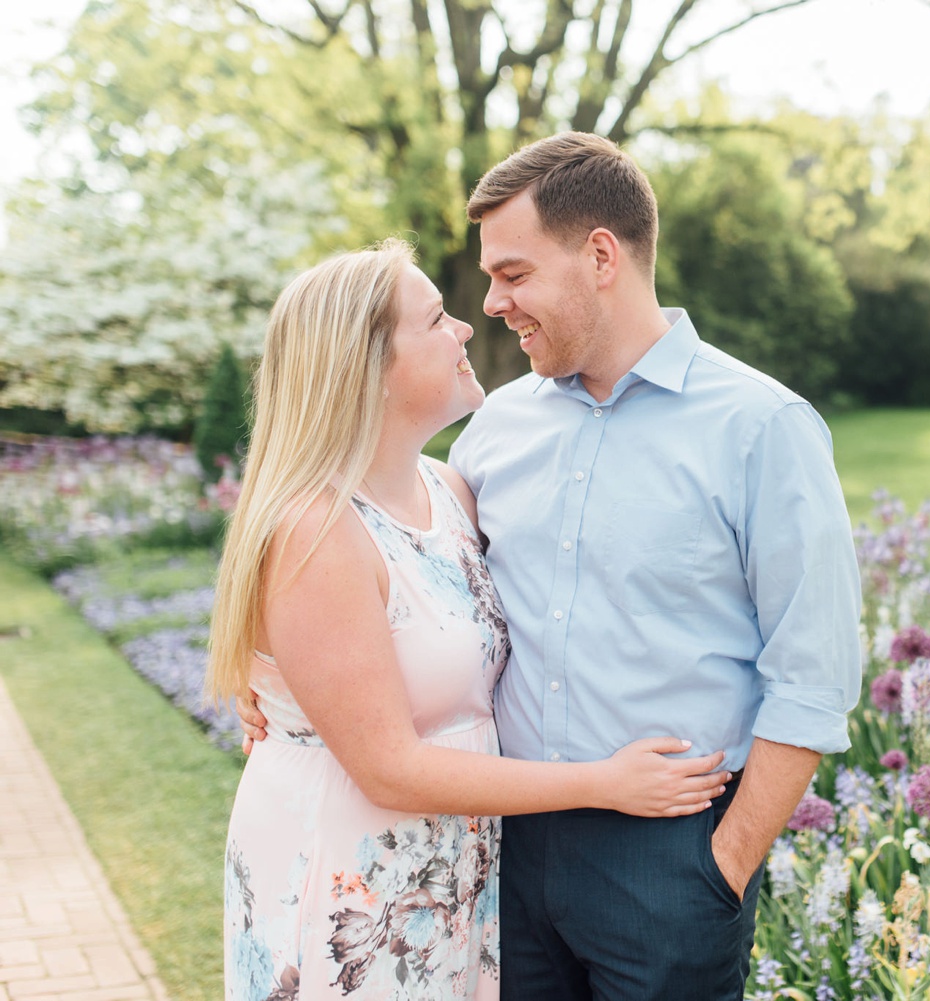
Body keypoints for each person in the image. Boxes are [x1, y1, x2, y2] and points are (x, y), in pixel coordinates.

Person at [243, 132, 863, 999]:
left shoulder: (763, 428)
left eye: (514, 273)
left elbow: (815, 675)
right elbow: (358, 536)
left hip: (668, 858)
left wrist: (723, 863)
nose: (490, 303)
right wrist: (275, 675)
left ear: (600, 255)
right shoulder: (497, 427)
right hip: (498, 846)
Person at [211, 238, 730, 1001]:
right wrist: (605, 782)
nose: (464, 328)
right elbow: (386, 765)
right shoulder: (313, 530)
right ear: (368, 366)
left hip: (446, 873)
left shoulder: (448, 490)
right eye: (435, 319)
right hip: (349, 879)